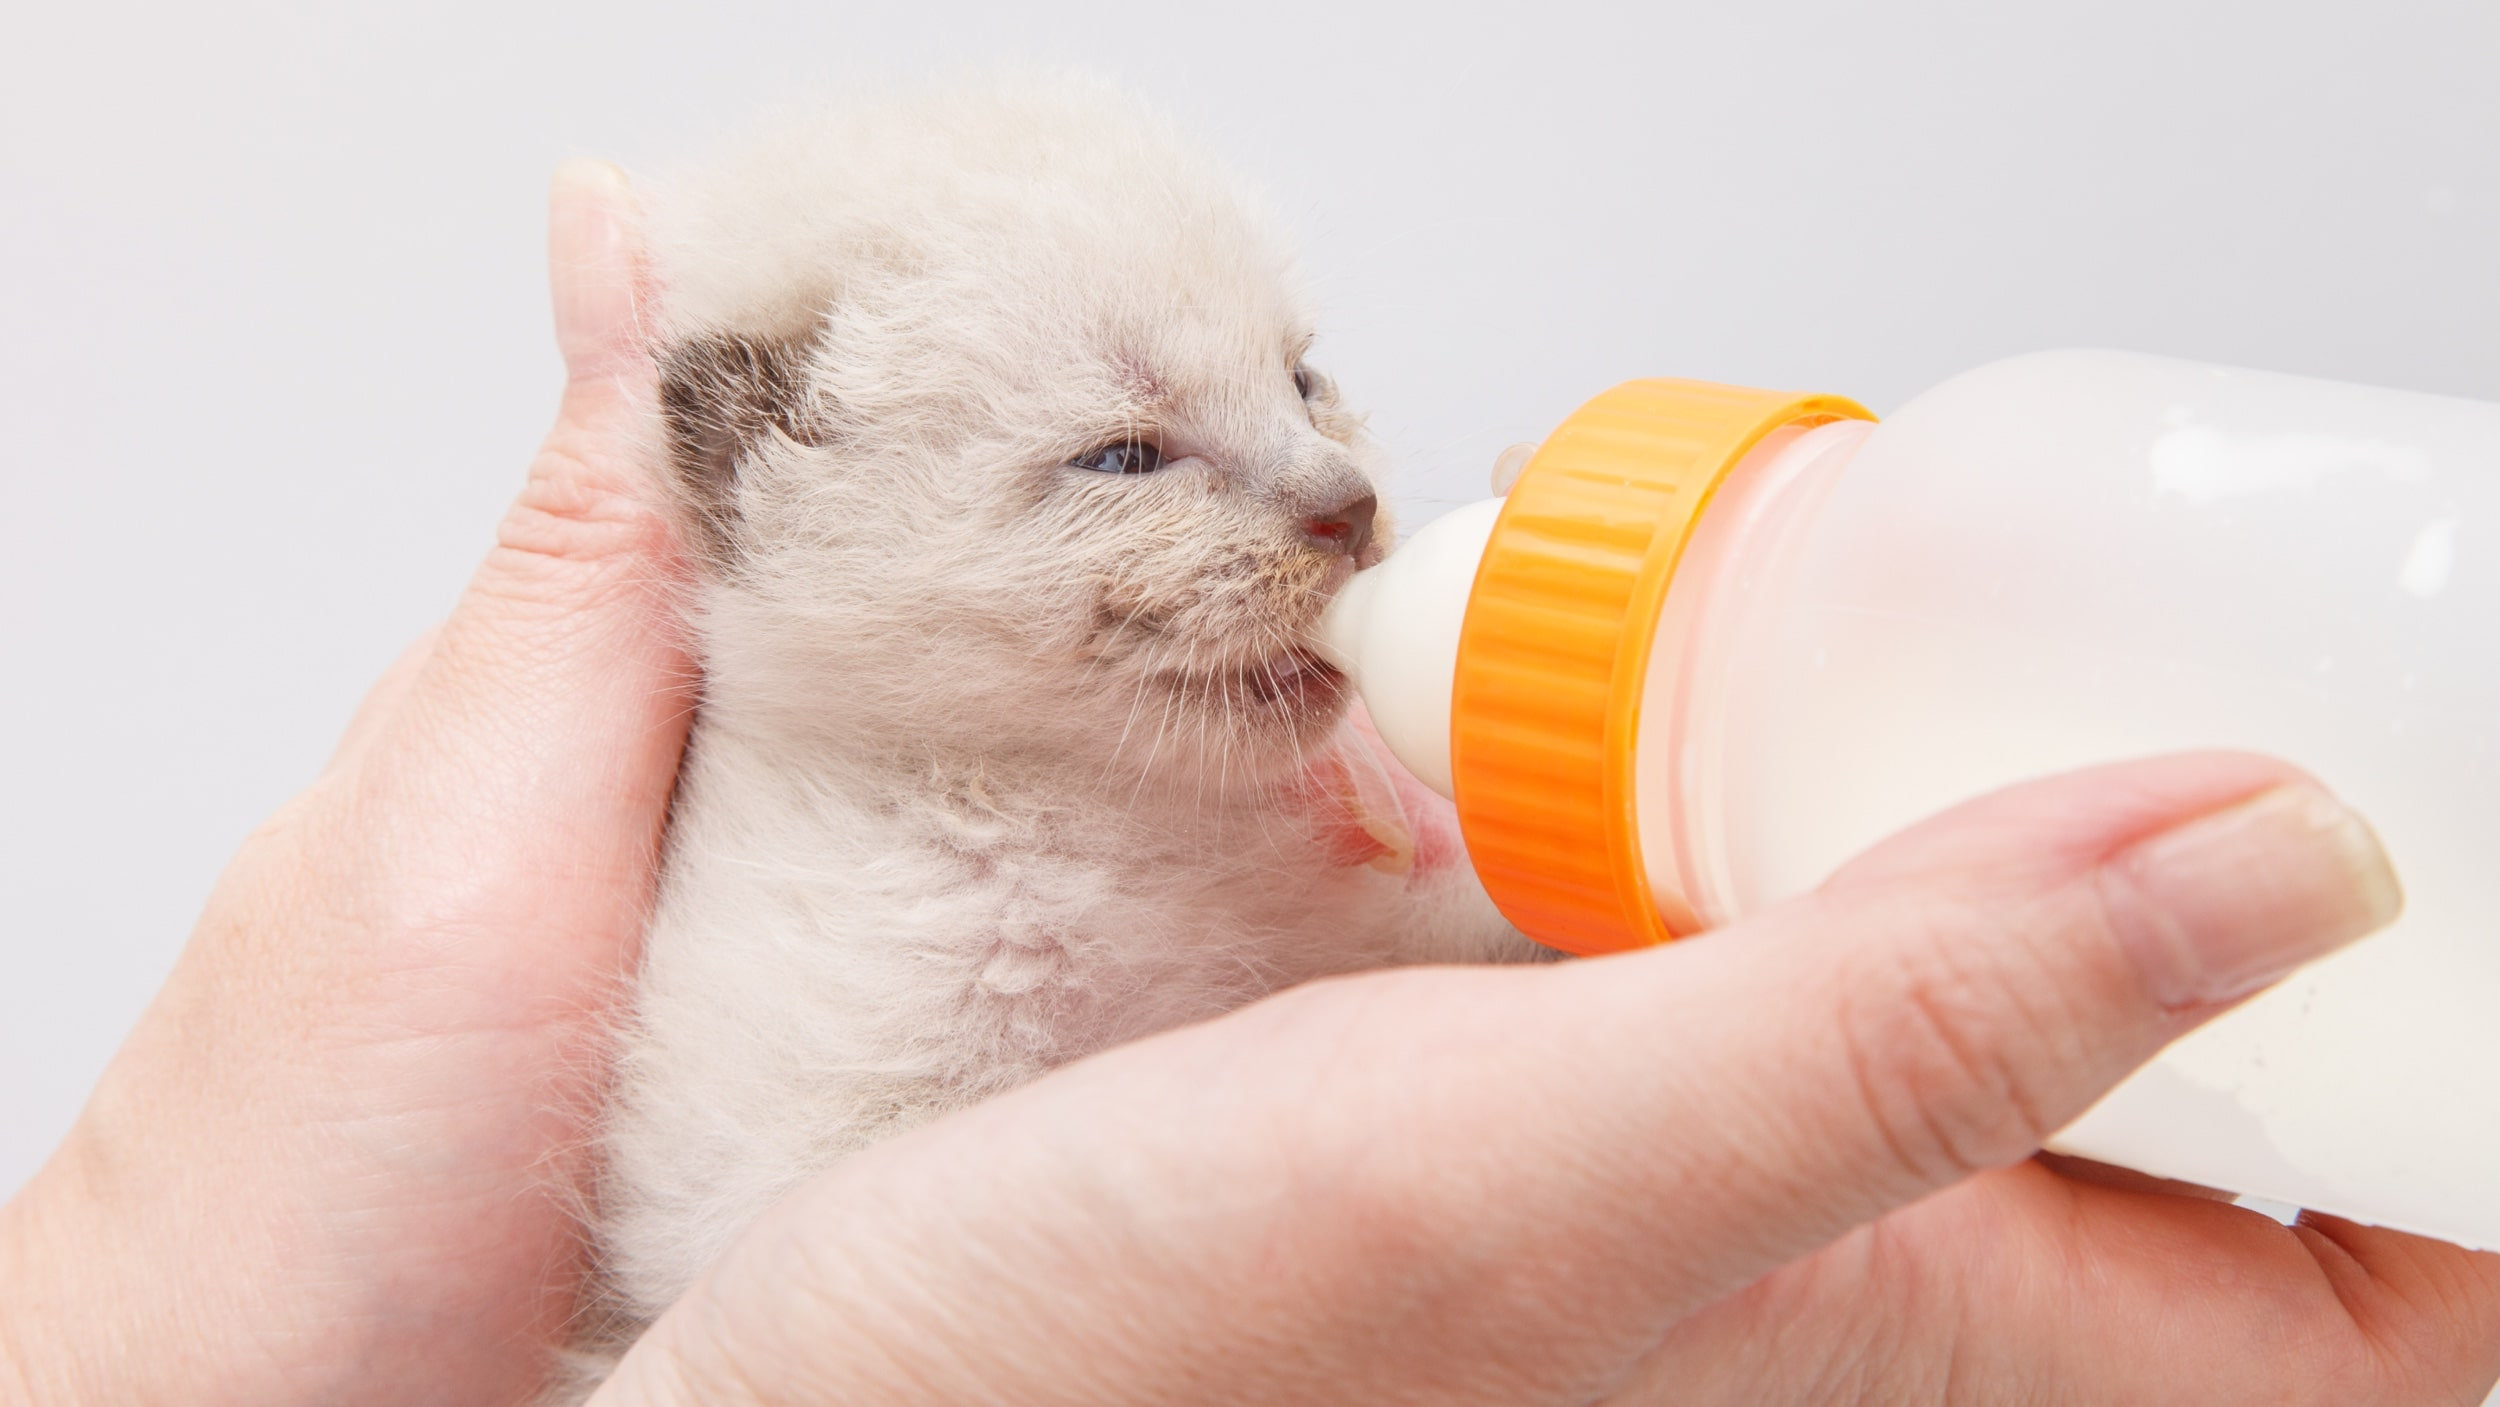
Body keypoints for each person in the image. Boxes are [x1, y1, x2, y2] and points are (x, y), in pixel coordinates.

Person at [4, 163, 2495, 1407]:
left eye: (1304, 382)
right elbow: (771, 1223)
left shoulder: (1297, 749)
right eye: (1117, 461)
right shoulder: (813, 891)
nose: (1323, 502)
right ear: (755, 478)